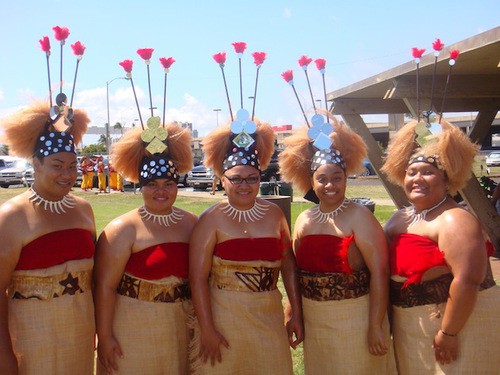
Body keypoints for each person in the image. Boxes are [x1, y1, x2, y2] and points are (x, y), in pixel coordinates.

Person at [381, 119, 500, 374]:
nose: (417, 178)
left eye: (428, 172)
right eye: (411, 172)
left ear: (447, 181)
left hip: (460, 325)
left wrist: (449, 332)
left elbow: (468, 280)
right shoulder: (400, 218)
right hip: (411, 329)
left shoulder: (454, 219)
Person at [279, 116, 395, 374]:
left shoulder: (360, 216)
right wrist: (293, 314)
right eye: (322, 179)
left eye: (337, 177)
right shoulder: (304, 219)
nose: (329, 185)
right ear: (311, 182)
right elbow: (295, 272)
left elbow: (380, 272)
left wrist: (376, 325)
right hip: (315, 320)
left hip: (355, 319)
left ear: (346, 178)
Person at [189, 115, 303, 374]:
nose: (244, 185)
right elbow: (197, 278)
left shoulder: (274, 215)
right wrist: (207, 329)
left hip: (268, 314)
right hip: (224, 317)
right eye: (236, 178)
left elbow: (288, 263)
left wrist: (294, 312)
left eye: (252, 178)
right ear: (222, 179)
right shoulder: (209, 219)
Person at [0, 104, 95, 373]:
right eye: (57, 165)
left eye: (73, 166)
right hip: (31, 340)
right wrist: (5, 355)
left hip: (80, 335)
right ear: (37, 164)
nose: (67, 174)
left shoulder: (84, 210)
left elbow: (94, 279)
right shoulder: (11, 217)